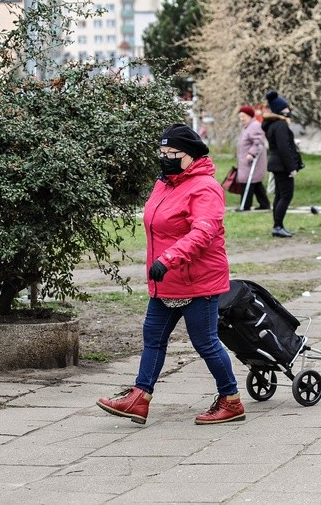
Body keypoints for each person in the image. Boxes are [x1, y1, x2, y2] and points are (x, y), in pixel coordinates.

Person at [97, 123, 245, 425]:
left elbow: (204, 232)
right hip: (166, 280)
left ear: (190, 156)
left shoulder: (205, 188)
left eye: (172, 153)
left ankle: (231, 400)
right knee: (153, 337)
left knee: (205, 342)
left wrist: (168, 259)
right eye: (162, 152)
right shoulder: (165, 183)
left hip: (197, 279)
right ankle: (139, 398)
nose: (165, 158)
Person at [263, 90, 303, 238]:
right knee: (286, 195)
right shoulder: (280, 125)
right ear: (280, 110)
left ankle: (278, 225)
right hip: (282, 165)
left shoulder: (273, 125)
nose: (288, 110)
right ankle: (277, 226)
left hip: (276, 163)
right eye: (286, 108)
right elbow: (284, 148)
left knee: (280, 195)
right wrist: (292, 168)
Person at [235, 105, 271, 211]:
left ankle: (245, 206)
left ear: (250, 116)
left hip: (252, 161)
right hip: (246, 162)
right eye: (240, 117)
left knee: (248, 182)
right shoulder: (248, 126)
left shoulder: (254, 126)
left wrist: (251, 154)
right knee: (256, 183)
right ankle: (264, 204)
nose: (241, 119)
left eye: (243, 116)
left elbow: (258, 142)